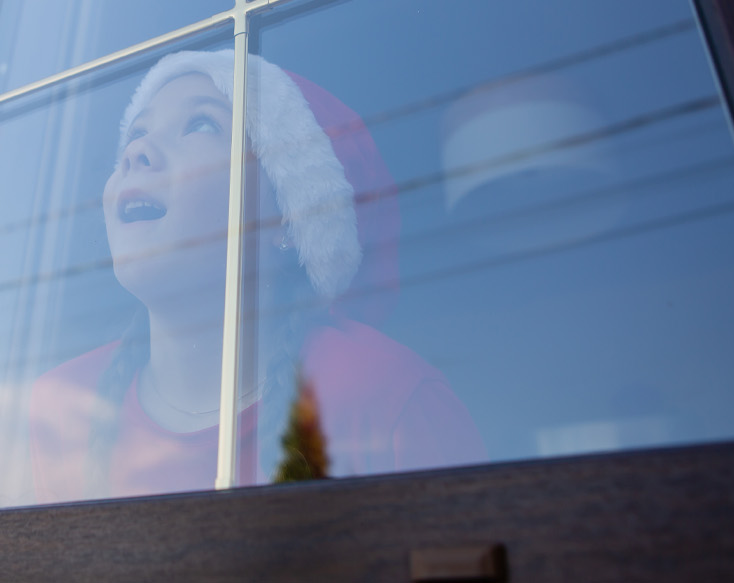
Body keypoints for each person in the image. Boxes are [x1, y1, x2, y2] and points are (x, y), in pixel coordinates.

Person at [30, 50, 485, 504]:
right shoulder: (60, 407)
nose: (135, 152)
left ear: (287, 219)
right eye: (137, 132)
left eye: (201, 124)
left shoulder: (389, 395)